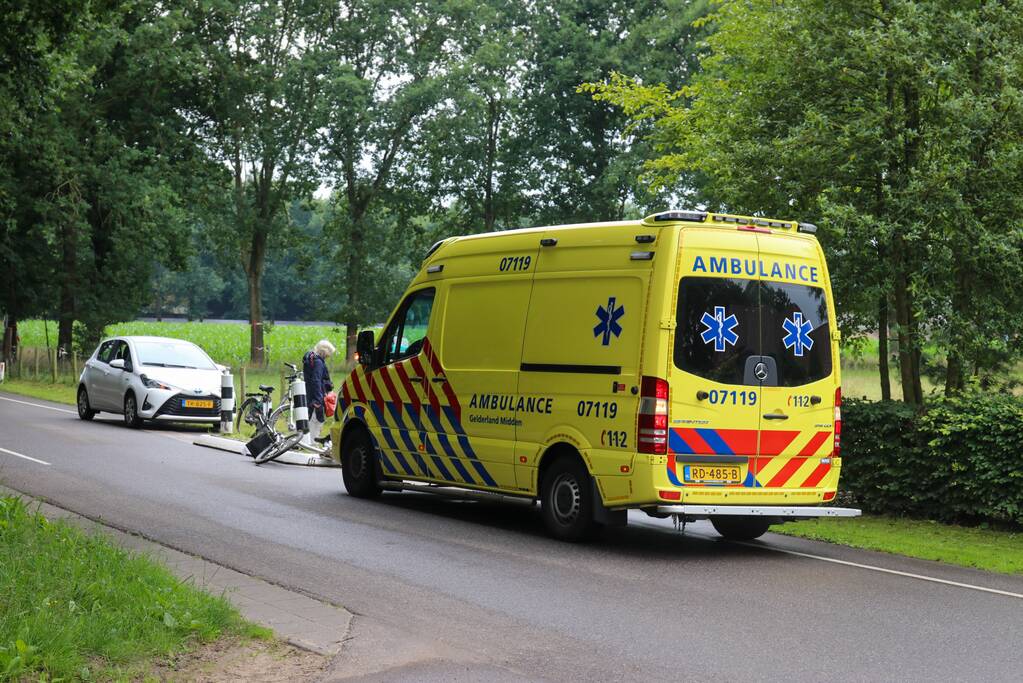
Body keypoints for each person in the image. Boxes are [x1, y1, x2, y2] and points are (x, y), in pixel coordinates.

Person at [302, 339, 335, 452]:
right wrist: (318, 399)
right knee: (317, 419)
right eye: (329, 353)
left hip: (309, 392)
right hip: (316, 395)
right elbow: (316, 380)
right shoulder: (319, 362)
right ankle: (312, 443)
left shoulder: (310, 358)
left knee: (310, 417)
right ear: (325, 352)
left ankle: (307, 441)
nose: (329, 355)